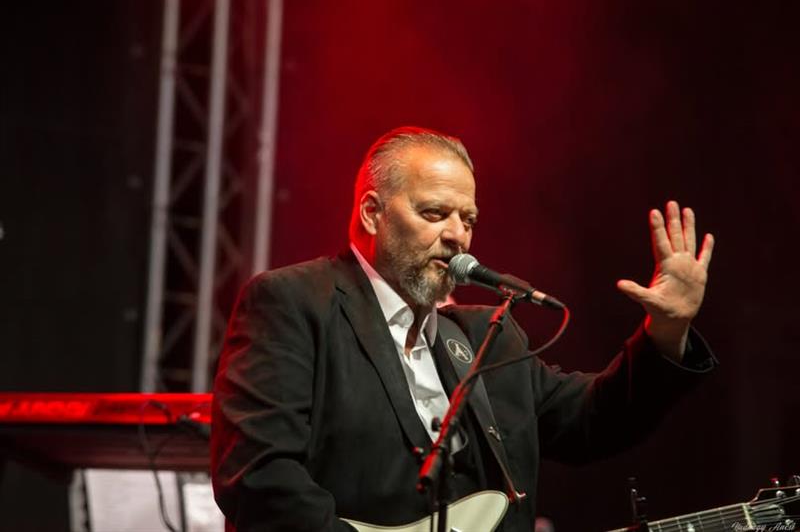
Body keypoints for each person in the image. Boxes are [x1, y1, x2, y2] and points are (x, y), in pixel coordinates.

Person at [211, 126, 716, 531]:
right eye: (435, 213)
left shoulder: (485, 337)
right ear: (371, 213)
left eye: (468, 219)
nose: (457, 235)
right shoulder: (293, 302)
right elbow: (260, 478)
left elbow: (593, 422)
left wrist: (666, 331)